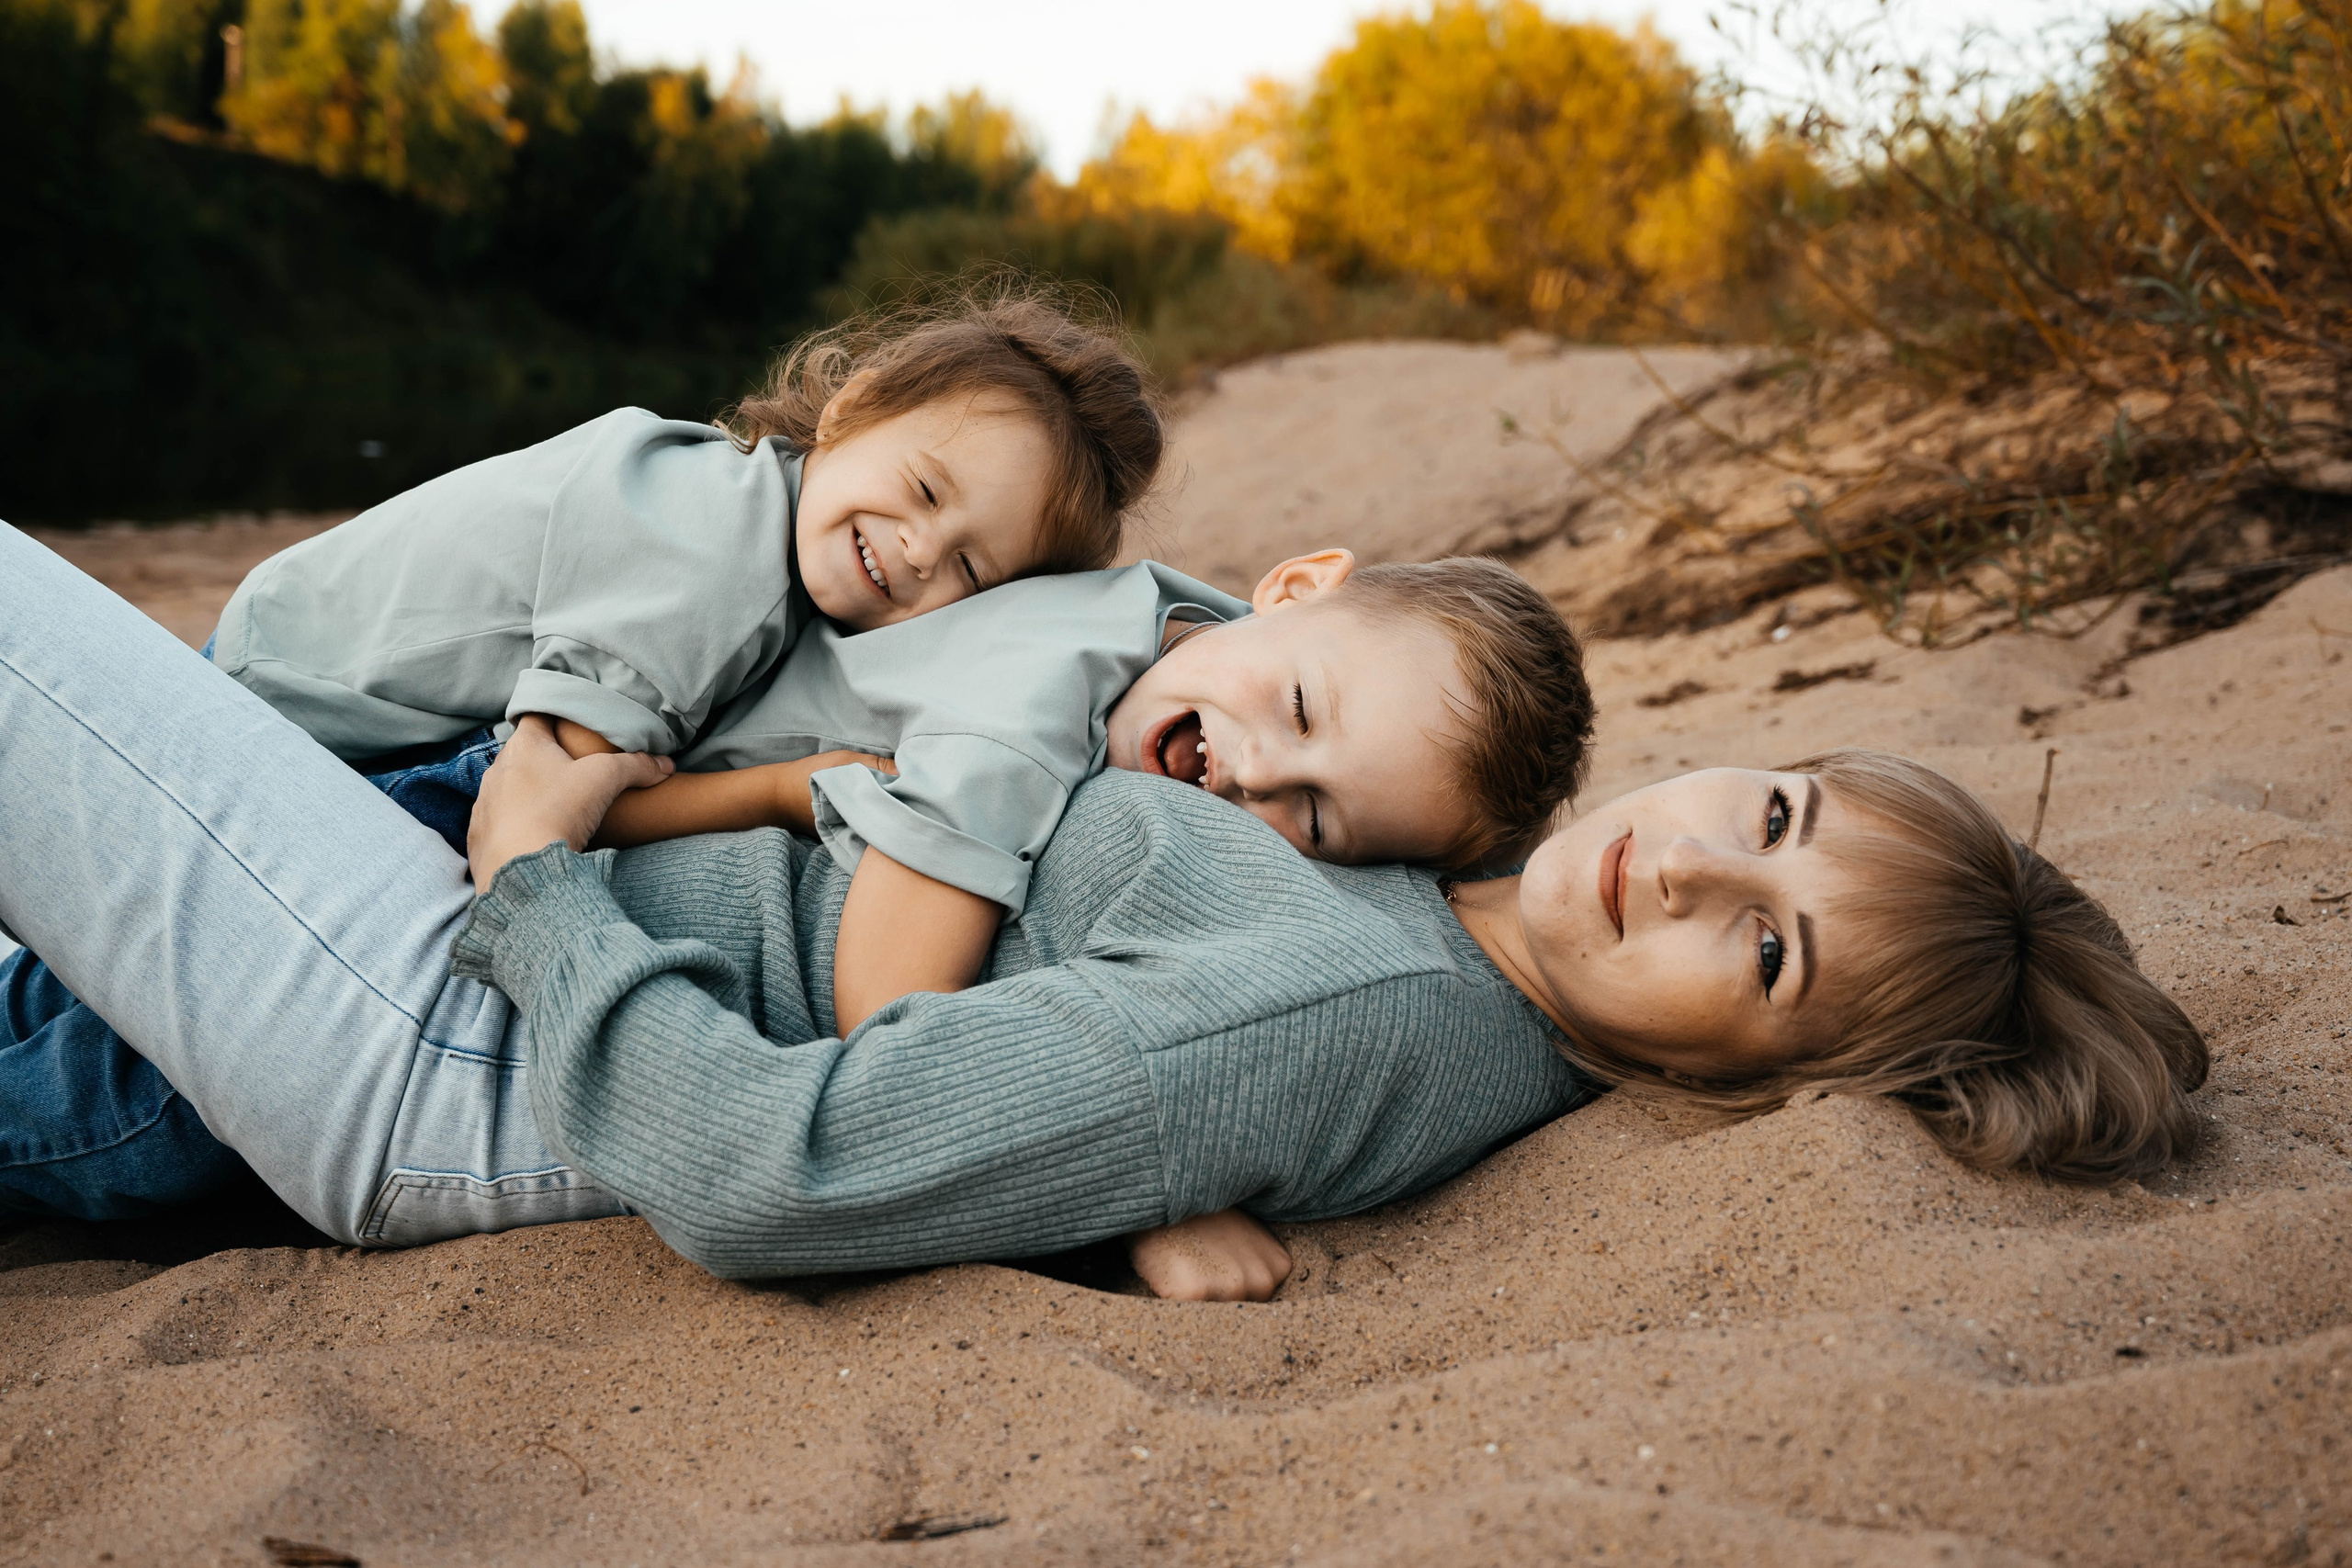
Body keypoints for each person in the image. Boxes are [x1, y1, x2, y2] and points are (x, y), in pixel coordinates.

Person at [0, 527, 2207, 1301]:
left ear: (1774, 1072)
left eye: (1764, 944)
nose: (1689, 860)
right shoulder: (1412, 885)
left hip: (458, 1017)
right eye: (1777, 808)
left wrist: (538, 882)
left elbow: (782, 1167)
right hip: (495, 905)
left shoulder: (1356, 1000)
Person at [0, 534, 1597, 1239]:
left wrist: (534, 868)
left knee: (73, 1086)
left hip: (480, 978)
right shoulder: (1107, 622)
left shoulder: (1356, 988)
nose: (1254, 777)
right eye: (1298, 714)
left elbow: (975, 1094)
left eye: (1315, 820)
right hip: (487, 853)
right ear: (1291, 588)